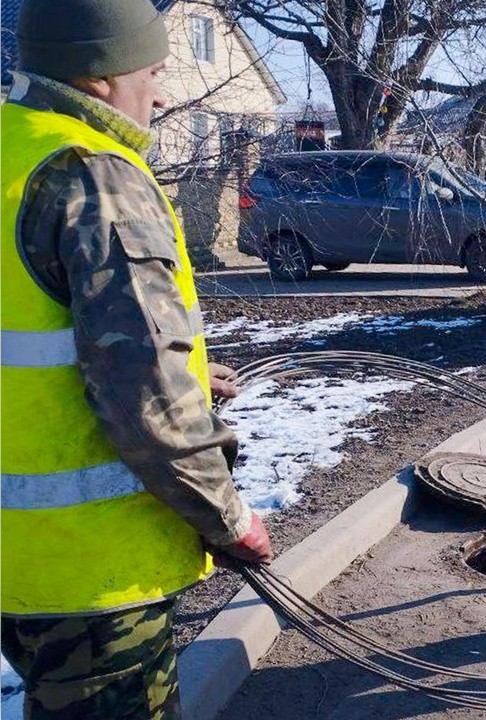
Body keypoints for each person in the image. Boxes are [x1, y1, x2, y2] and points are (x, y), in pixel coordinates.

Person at [0, 0, 273, 717]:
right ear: (98, 79)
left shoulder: (10, 149)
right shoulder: (93, 176)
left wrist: (172, 369)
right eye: (150, 71)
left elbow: (33, 328)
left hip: (17, 563)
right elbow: (147, 395)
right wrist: (230, 516)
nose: (160, 92)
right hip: (91, 574)